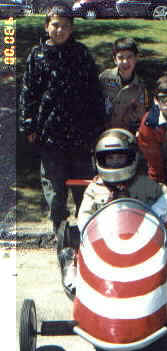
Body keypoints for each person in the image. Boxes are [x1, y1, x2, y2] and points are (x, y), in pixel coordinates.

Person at [19, 2, 105, 237]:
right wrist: (29, 125)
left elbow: (94, 92)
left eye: (65, 26)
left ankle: (88, 230)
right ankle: (60, 231)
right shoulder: (36, 56)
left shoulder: (81, 53)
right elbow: (28, 93)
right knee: (55, 189)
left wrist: (97, 126)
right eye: (55, 25)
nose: (60, 30)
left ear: (71, 29)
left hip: (80, 134)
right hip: (49, 135)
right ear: (47, 26)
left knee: (84, 187)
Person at [62, 128, 167, 294]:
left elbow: (166, 194)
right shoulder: (95, 187)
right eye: (110, 158)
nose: (115, 162)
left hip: (140, 239)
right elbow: (84, 214)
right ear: (100, 160)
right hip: (104, 240)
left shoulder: (143, 183)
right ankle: (76, 273)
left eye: (120, 157)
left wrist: (153, 213)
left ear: (131, 158)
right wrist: (88, 227)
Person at [99, 37, 150, 134]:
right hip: (104, 132)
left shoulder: (141, 87)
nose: (125, 62)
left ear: (136, 58)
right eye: (121, 57)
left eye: (129, 57)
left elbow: (143, 116)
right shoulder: (104, 78)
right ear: (114, 60)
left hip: (127, 134)